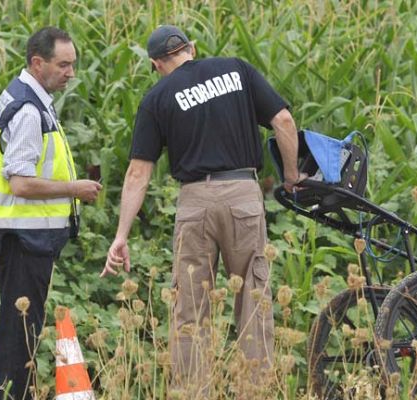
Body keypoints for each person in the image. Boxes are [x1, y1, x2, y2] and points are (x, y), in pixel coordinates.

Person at [102, 25, 302, 391]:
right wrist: (291, 175)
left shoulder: (157, 96)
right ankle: (254, 391)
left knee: (190, 308)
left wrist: (121, 236)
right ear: (191, 48)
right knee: (253, 300)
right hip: (243, 193)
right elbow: (284, 121)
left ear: (156, 63)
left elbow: (137, 173)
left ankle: (194, 393)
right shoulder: (236, 69)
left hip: (195, 201)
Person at [0, 27, 102, 399]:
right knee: (20, 332)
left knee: (17, 327)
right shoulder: (29, 109)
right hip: (23, 238)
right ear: (37, 62)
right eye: (63, 64)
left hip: (14, 234)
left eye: (73, 64)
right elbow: (21, 183)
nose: (71, 73)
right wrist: (75, 188)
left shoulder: (24, 93)